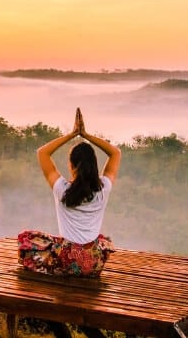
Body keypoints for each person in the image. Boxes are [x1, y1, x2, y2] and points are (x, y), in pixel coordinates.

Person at [18, 108, 121, 277]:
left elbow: (42, 153)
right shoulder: (104, 188)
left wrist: (72, 134)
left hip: (66, 262)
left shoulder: (62, 189)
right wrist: (86, 135)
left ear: (71, 166)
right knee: (102, 240)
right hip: (93, 264)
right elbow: (115, 153)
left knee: (26, 238)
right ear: (94, 166)